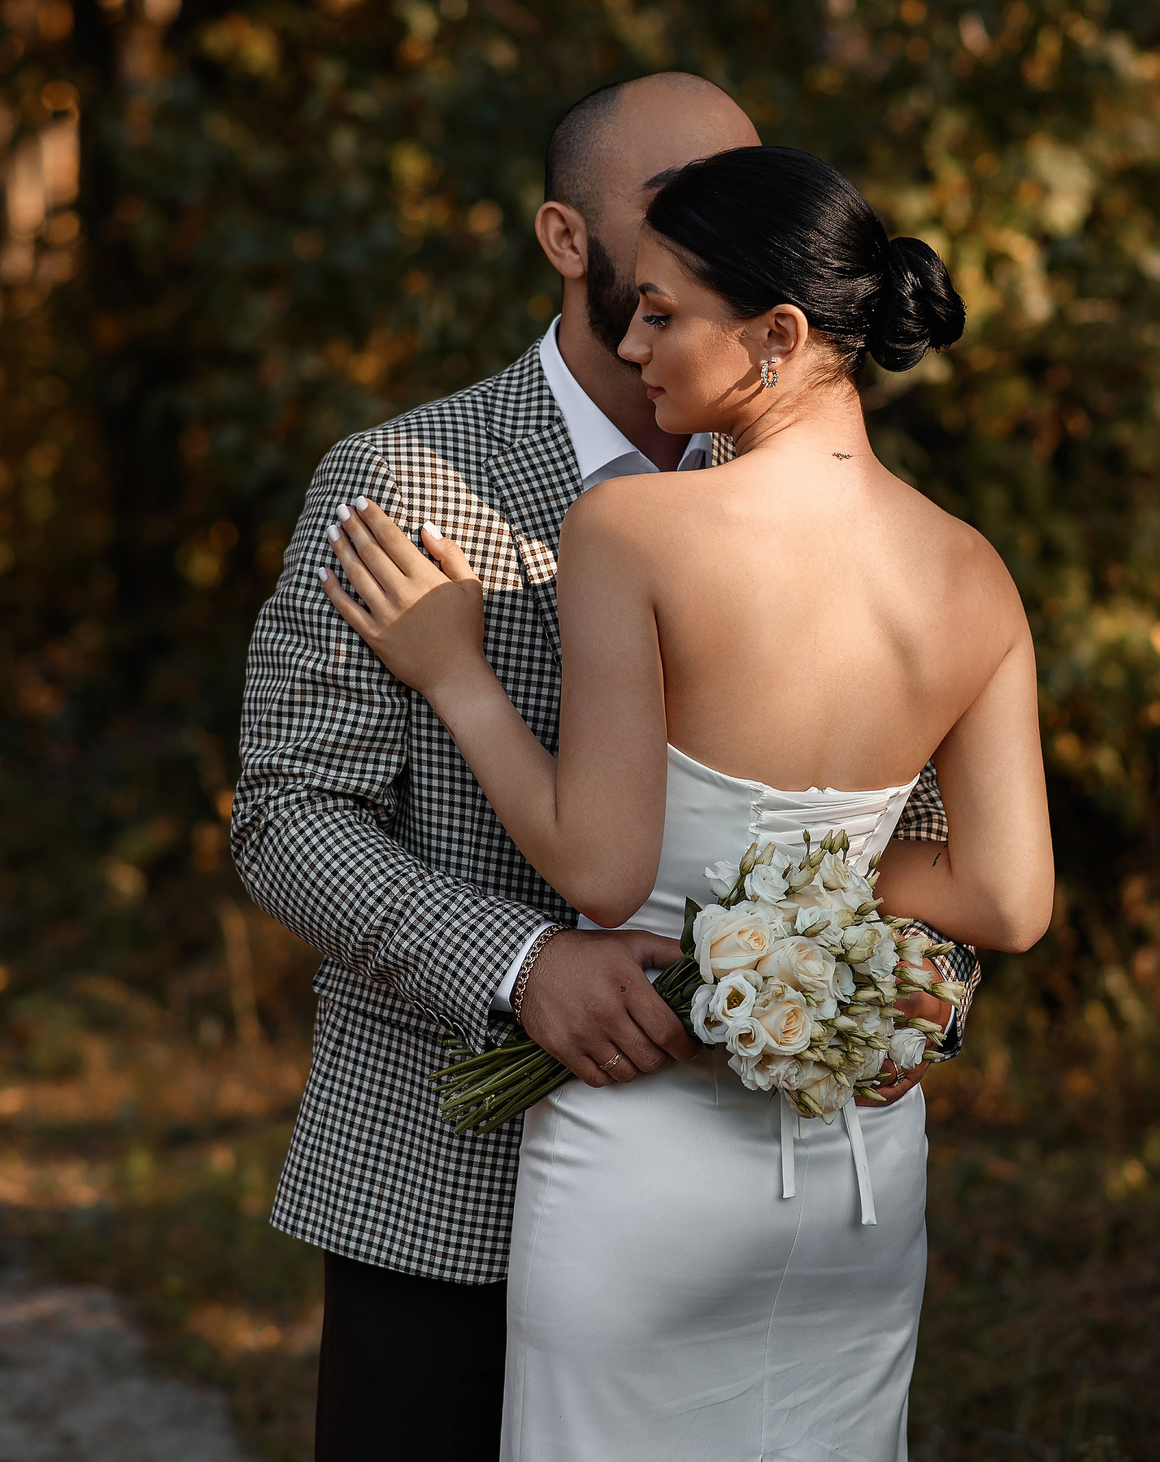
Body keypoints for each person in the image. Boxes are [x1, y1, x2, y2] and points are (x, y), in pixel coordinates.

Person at [230, 76, 977, 1461]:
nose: (720, 217)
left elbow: (907, 833)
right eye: (674, 196)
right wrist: (518, 965)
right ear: (568, 239)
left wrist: (910, 993)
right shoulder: (405, 478)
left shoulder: (836, 497)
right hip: (442, 1178)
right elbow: (287, 815)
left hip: (752, 1199)